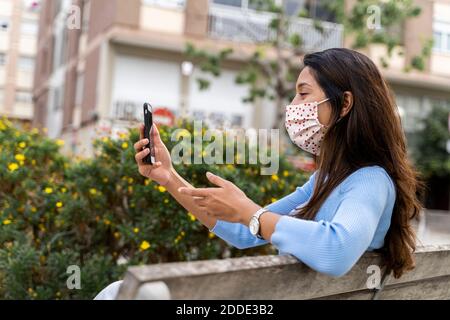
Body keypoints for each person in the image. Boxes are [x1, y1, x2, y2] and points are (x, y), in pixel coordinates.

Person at [95, 48, 423, 299]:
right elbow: (243, 232)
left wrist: (251, 213)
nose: (293, 105)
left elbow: (336, 251)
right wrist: (168, 177)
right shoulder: (325, 181)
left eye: (304, 93)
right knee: (119, 291)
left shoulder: (371, 181)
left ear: (345, 103)